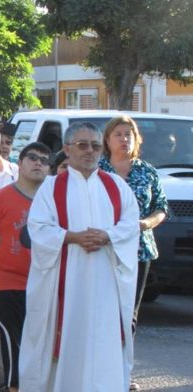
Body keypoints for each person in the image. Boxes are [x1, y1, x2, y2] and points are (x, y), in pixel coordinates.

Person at [19, 122, 140, 392]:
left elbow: (131, 224)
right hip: (65, 285)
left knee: (102, 342)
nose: (89, 151)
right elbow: (38, 228)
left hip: (105, 283)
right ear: (66, 149)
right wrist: (72, 237)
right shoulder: (51, 188)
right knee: (65, 343)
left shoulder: (117, 186)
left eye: (95, 146)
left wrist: (107, 235)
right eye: (82, 145)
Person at [98, 115, 168, 391]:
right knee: (102, 310)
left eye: (129, 134)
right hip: (101, 248)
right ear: (107, 139)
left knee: (128, 314)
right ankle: (98, 368)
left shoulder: (147, 171)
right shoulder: (97, 169)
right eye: (118, 134)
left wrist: (146, 224)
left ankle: (122, 373)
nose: (124, 138)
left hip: (138, 251)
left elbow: (161, 207)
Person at [0, 142, 51, 392]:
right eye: (32, 158)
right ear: (19, 164)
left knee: (41, 345)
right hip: (6, 283)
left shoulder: (54, 201)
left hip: (45, 283)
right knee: (13, 345)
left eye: (44, 160)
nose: (38, 163)